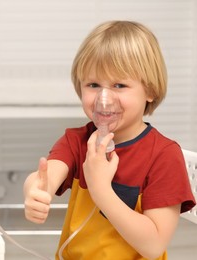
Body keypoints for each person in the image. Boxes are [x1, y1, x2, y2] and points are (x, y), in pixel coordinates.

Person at [23, 20, 196, 259]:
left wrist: (101, 189)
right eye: (93, 84)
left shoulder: (164, 155)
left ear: (150, 90)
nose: (104, 98)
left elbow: (154, 246)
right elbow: (48, 175)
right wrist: (36, 191)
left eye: (119, 85)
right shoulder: (77, 141)